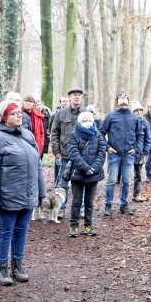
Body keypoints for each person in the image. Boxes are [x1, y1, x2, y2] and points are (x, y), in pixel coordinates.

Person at [0, 100, 46, 286]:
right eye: (14, 113)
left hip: (27, 195)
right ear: (3, 117)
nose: (19, 115)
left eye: (20, 112)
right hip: (7, 196)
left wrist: (41, 191)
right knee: (5, 232)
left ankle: (17, 265)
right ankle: (1, 267)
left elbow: (38, 166)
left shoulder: (28, 135)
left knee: (21, 231)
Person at [99, 92, 144, 216]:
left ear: (128, 102)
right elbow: (101, 133)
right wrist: (107, 147)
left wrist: (136, 149)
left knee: (126, 181)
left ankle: (124, 205)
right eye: (120, 97)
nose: (123, 99)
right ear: (117, 102)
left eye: (125, 97)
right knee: (111, 180)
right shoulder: (111, 116)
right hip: (114, 154)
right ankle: (108, 205)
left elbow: (140, 135)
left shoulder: (134, 118)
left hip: (129, 154)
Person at [67, 111, 107, 237]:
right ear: (79, 122)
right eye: (84, 120)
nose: (87, 122)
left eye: (88, 120)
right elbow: (73, 153)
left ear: (93, 121)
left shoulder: (98, 135)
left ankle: (88, 225)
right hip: (78, 173)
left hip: (93, 174)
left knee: (89, 201)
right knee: (76, 201)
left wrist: (94, 168)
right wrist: (85, 168)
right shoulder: (73, 135)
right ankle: (73, 226)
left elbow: (102, 152)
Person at [50, 88, 83, 218]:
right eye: (74, 95)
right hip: (65, 154)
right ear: (69, 98)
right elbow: (54, 133)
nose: (77, 97)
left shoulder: (85, 114)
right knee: (63, 183)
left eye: (79, 95)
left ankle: (81, 208)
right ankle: (61, 208)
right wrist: (56, 151)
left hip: (81, 155)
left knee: (80, 183)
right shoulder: (61, 114)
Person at [130, 101, 151, 202]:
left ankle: (137, 194)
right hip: (128, 152)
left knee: (138, 175)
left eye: (140, 110)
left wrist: (144, 152)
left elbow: (148, 139)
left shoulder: (145, 122)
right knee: (125, 176)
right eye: (136, 110)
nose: (138, 112)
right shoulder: (128, 122)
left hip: (140, 153)